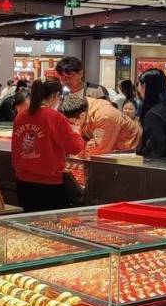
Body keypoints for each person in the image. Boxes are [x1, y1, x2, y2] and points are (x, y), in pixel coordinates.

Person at [12, 78, 85, 212]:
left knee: (28, 220)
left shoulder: (20, 116)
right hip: (48, 182)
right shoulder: (54, 117)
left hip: (22, 181)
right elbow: (75, 147)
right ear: (56, 95)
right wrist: (76, 132)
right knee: (48, 222)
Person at [59, 96, 141, 156]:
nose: (73, 126)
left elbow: (100, 150)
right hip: (114, 145)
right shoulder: (84, 106)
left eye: (72, 123)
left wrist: (79, 156)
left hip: (132, 145)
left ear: (82, 115)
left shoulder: (105, 116)